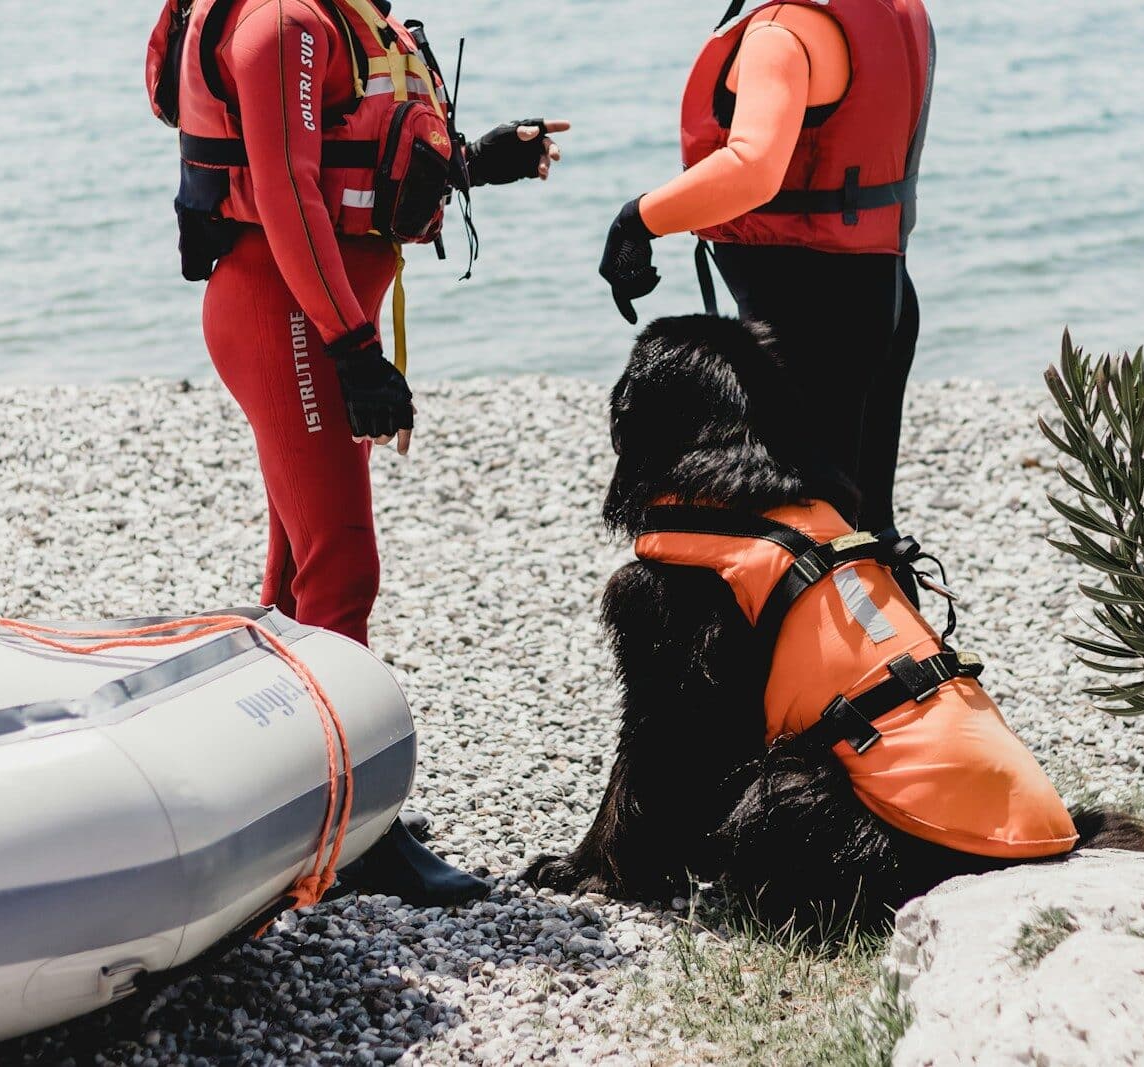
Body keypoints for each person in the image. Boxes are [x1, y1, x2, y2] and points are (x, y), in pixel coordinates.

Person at [148, 0, 569, 904]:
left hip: (316, 313)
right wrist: (349, 347)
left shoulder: (349, 18)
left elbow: (363, 147)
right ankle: (353, 832)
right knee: (343, 567)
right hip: (286, 314)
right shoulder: (284, 24)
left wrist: (473, 162)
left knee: (298, 576)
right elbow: (293, 193)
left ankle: (280, 798)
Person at [599, 0, 934, 535]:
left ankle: (823, 619)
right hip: (878, 291)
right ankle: (887, 614)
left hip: (806, 313)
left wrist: (637, 221)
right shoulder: (880, 10)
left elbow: (753, 169)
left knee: (803, 527)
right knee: (864, 522)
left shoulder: (783, 33)